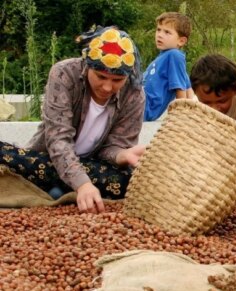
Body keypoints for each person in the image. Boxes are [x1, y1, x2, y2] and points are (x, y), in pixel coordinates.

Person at [0, 26, 145, 213]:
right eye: (101, 76)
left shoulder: (134, 94)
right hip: (48, 158)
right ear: (87, 66)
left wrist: (122, 155)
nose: (108, 87)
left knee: (126, 182)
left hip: (94, 166)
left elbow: (113, 147)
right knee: (10, 155)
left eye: (117, 80)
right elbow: (58, 138)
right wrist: (82, 184)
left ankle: (54, 187)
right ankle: (64, 187)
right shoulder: (64, 73)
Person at [143, 12, 194, 121]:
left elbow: (180, 88)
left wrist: (182, 117)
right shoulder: (164, 56)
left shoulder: (174, 55)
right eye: (158, 30)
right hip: (139, 102)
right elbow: (188, 87)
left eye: (167, 32)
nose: (160, 35)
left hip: (143, 107)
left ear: (181, 41)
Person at [190, 54, 236, 126]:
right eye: (206, 103)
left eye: (222, 101)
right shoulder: (194, 107)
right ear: (195, 93)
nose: (214, 110)